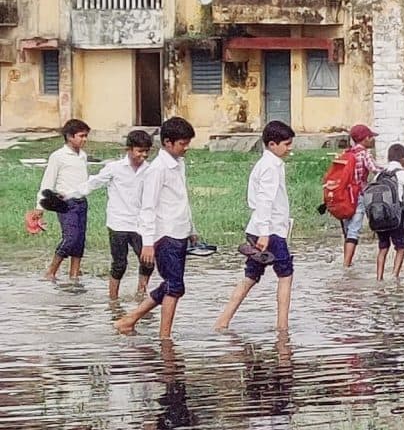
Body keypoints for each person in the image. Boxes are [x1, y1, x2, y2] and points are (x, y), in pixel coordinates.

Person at [115, 117, 199, 340]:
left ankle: (130, 319)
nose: (186, 148)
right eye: (182, 143)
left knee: (174, 285)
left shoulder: (178, 164)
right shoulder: (157, 170)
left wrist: (191, 228)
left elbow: (182, 198)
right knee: (174, 286)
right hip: (165, 234)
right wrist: (148, 242)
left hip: (180, 231)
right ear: (168, 142)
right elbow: (148, 208)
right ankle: (164, 337)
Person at [213, 121, 297, 336]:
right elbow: (264, 201)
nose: (290, 148)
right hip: (269, 232)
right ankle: (283, 327)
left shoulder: (268, 164)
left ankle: (222, 322)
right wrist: (265, 232)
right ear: (272, 144)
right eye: (286, 144)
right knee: (286, 275)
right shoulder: (270, 167)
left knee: (250, 277)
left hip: (261, 228)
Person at [37, 118, 100, 283]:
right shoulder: (58, 156)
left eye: (86, 136)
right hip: (65, 203)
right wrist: (40, 207)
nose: (84, 139)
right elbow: (47, 182)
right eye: (81, 136)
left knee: (80, 240)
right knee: (70, 238)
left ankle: (74, 273)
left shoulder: (83, 156)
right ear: (70, 137)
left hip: (81, 201)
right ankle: (51, 271)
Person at [99, 129, 156, 303]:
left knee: (148, 261)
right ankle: (113, 299)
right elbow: (92, 183)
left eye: (147, 151)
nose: (144, 155)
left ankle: (141, 293)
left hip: (140, 224)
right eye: (140, 151)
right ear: (129, 150)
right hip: (118, 224)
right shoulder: (114, 168)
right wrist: (68, 194)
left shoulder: (150, 170)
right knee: (119, 264)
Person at [364, 143, 404, 282]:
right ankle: (395, 276)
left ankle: (379, 278)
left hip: (379, 217)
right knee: (401, 247)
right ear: (403, 159)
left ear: (388, 157)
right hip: (396, 218)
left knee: (383, 248)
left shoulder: (379, 175)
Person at [334, 125, 379, 268]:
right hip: (358, 196)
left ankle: (347, 263)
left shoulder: (346, 153)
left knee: (348, 231)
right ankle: (346, 266)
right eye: (371, 137)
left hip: (344, 196)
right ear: (366, 139)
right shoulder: (364, 154)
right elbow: (375, 169)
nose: (372, 140)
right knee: (354, 231)